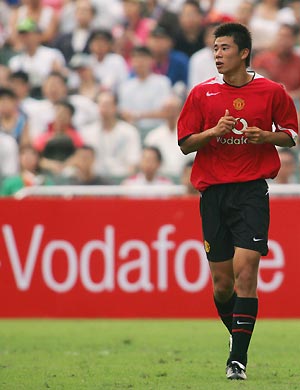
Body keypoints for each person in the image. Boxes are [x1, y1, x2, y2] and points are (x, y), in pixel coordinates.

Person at [177, 22, 298, 380]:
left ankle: (237, 361)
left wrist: (267, 137)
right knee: (222, 284)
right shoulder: (201, 94)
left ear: (243, 53)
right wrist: (214, 132)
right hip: (213, 192)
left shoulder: (272, 91)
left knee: (247, 273)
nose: (217, 54)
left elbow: (291, 135)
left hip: (250, 192)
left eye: (224, 48)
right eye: (215, 49)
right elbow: (185, 143)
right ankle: (238, 341)